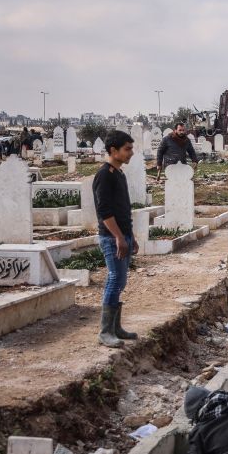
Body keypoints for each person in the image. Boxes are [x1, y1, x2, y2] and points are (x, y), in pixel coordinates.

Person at [93, 130, 139, 348]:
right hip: (112, 238)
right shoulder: (104, 175)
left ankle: (116, 327)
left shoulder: (118, 173)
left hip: (123, 235)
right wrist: (119, 237)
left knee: (120, 281)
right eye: (127, 149)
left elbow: (123, 210)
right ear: (114, 150)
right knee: (113, 279)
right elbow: (105, 211)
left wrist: (131, 236)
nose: (131, 153)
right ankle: (105, 331)